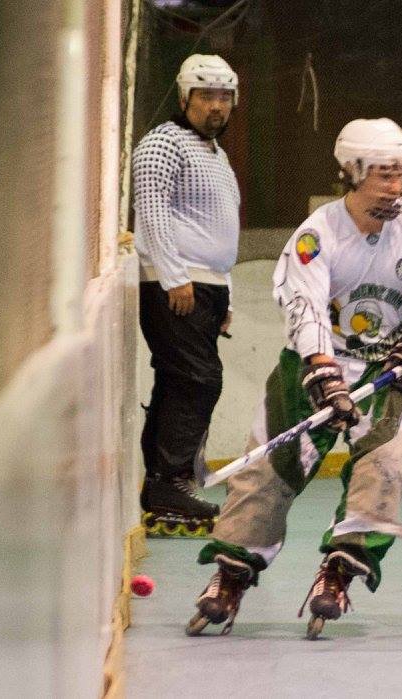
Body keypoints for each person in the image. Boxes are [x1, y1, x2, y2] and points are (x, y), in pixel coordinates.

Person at [184, 118, 402, 639]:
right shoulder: (318, 233)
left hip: (383, 370)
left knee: (388, 465)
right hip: (312, 369)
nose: (396, 187)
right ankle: (231, 575)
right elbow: (304, 305)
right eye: (384, 176)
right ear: (352, 173)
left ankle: (339, 572)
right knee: (269, 470)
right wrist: (322, 369)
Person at [133, 54, 240, 537]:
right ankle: (171, 483)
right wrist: (175, 275)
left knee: (179, 381)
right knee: (199, 380)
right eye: (205, 96)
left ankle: (163, 484)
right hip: (176, 285)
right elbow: (151, 211)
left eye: (224, 97)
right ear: (184, 98)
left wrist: (226, 295)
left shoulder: (216, 154)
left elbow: (219, 228)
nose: (216, 106)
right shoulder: (163, 143)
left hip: (205, 286)